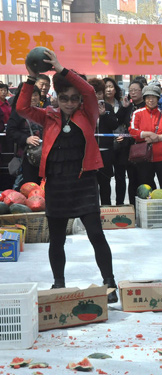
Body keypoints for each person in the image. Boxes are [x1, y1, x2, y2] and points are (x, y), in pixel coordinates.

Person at [17, 49, 118, 302]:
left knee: (96, 234)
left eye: (74, 99)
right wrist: (31, 78)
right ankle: (58, 284)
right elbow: (21, 107)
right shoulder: (48, 116)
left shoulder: (89, 113)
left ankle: (110, 283)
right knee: (57, 239)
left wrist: (62, 69)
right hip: (57, 183)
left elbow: (87, 90)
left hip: (84, 182)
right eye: (65, 98)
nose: (70, 102)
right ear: (57, 98)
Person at [129, 85, 162, 191]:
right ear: (144, 99)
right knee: (147, 189)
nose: (151, 100)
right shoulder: (137, 113)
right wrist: (148, 134)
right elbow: (132, 131)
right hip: (144, 157)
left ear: (158, 99)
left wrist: (157, 138)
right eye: (148, 97)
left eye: (153, 97)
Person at [6, 83, 43, 187]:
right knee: (28, 186)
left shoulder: (42, 111)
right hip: (26, 157)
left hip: (43, 156)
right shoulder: (18, 112)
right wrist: (26, 139)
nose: (33, 97)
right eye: (30, 95)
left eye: (35, 94)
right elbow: (10, 131)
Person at [109, 80, 140, 205]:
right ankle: (119, 205)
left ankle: (134, 206)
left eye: (135, 90)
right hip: (122, 148)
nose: (132, 92)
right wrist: (124, 107)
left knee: (134, 179)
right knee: (120, 179)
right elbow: (116, 121)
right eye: (130, 90)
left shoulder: (145, 106)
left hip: (137, 148)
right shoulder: (127, 106)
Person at [89, 78, 118, 205]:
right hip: (90, 152)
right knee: (91, 184)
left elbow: (114, 125)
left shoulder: (107, 107)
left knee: (105, 183)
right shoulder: (84, 108)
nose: (97, 96)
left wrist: (104, 115)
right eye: (94, 93)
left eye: (99, 93)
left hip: (106, 151)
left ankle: (107, 209)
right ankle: (92, 211)